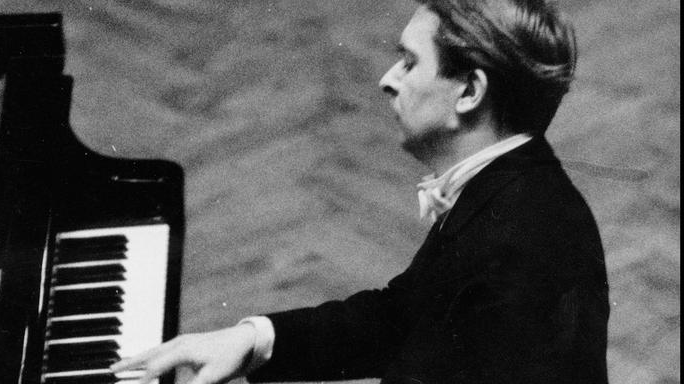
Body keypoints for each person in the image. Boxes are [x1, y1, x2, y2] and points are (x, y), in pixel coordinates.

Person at [111, 0, 610, 383]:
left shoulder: (518, 246)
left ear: (470, 91)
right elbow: (402, 317)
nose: (386, 81)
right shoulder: (511, 191)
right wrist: (252, 339)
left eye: (409, 63)